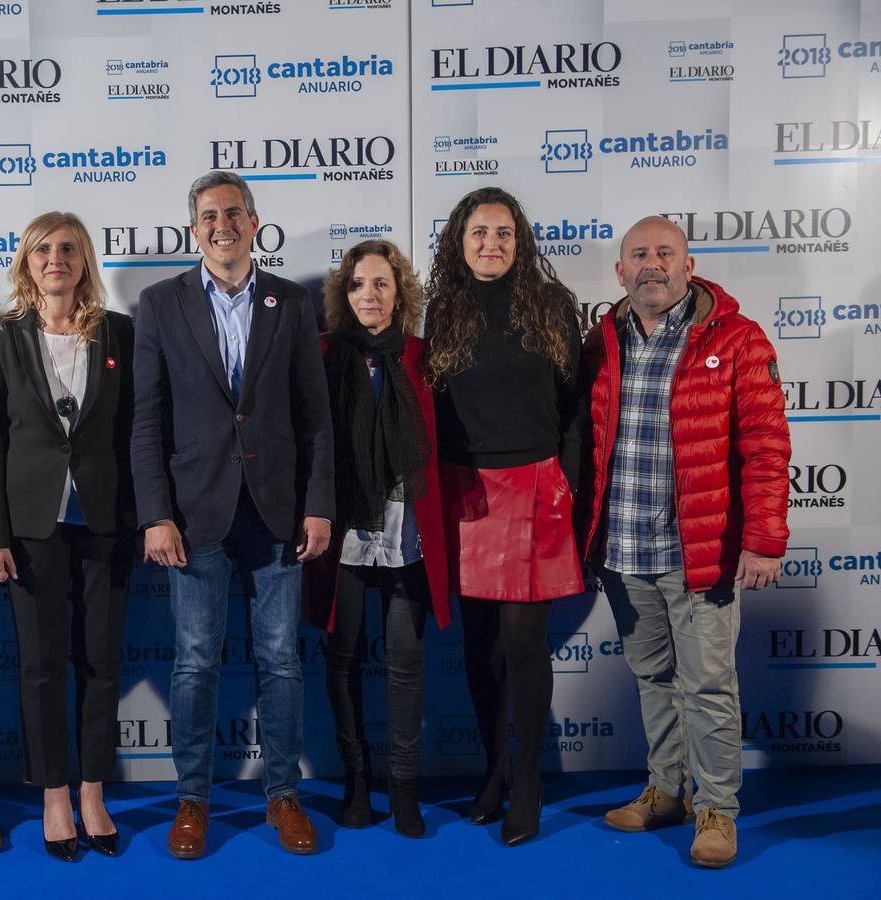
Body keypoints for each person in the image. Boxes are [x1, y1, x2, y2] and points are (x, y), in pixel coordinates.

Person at [131, 170, 334, 858]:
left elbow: (315, 417)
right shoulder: (160, 304)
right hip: (194, 515)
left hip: (278, 514)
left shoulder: (292, 302)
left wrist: (317, 506)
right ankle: (193, 802)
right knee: (193, 663)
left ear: (254, 223)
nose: (223, 224)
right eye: (210, 215)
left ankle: (283, 795)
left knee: (281, 663)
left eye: (235, 213)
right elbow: (146, 419)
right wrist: (155, 512)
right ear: (195, 229)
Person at [578, 215, 790, 869]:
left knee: (707, 685)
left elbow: (766, 446)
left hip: (701, 550)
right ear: (619, 273)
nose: (651, 264)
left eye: (664, 252)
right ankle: (667, 790)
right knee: (653, 678)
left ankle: (717, 811)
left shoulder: (738, 338)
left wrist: (764, 540)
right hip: (625, 551)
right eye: (638, 254)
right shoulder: (602, 341)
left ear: (689, 265)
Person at [422, 186, 584, 846]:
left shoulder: (551, 306)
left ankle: (531, 781)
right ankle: (493, 772)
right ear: (459, 244)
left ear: (521, 243)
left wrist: (567, 480)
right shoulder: (443, 311)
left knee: (523, 642)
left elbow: (574, 407)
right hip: (466, 491)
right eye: (480, 233)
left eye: (504, 233)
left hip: (536, 485)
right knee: (479, 643)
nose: (492, 244)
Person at [0, 212, 135, 862]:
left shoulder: (118, 333)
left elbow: (133, 433)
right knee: (41, 668)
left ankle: (93, 790)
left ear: (84, 260)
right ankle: (55, 796)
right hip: (30, 527)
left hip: (103, 520)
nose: (55, 259)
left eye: (68, 248)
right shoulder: (1, 336)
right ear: (27, 262)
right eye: (43, 249)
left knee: (101, 663)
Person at [303, 239, 450, 836]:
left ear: (400, 293)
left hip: (408, 528)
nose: (370, 294)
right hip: (341, 530)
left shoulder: (422, 357)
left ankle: (405, 787)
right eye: (359, 283)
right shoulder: (319, 355)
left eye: (382, 283)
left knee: (406, 660)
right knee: (342, 659)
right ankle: (357, 782)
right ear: (345, 294)